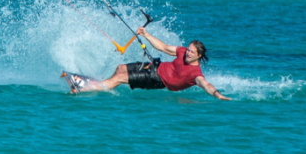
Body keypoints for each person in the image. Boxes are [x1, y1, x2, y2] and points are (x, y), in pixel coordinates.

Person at [80, 26, 231, 100]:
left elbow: (206, 85)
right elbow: (163, 47)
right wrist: (146, 34)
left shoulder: (195, 73)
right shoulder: (182, 51)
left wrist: (218, 95)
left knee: (120, 78)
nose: (188, 53)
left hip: (157, 80)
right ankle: (104, 85)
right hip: (154, 67)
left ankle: (87, 88)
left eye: (191, 52)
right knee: (120, 68)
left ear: (198, 55)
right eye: (188, 49)